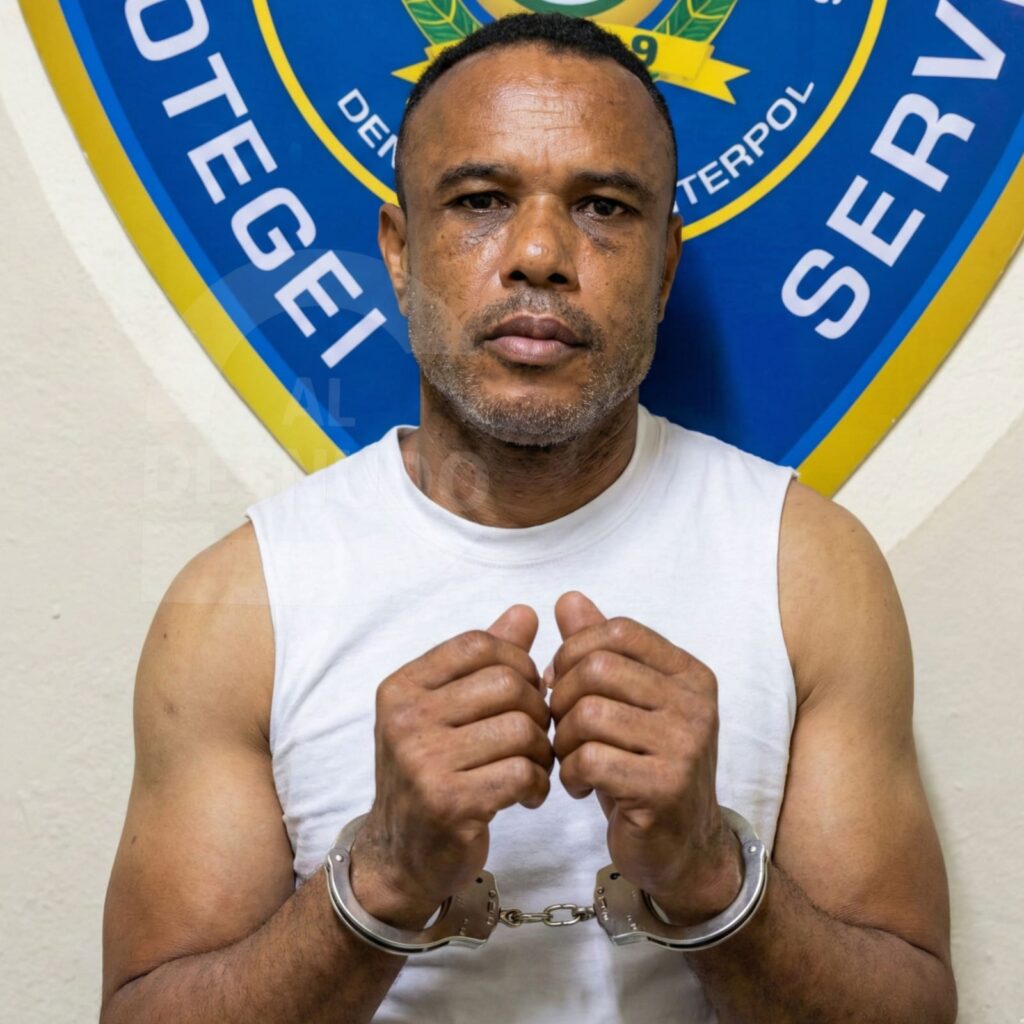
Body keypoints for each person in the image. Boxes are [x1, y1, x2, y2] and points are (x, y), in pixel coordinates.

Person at [99, 14, 956, 1024]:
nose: (540, 253)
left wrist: (709, 874)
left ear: (665, 266)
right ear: (399, 252)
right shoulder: (241, 603)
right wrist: (380, 880)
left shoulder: (807, 570)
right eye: (480, 201)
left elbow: (913, 1009)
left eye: (603, 207)